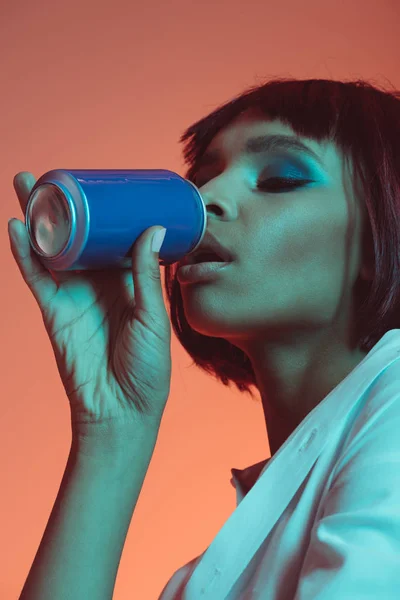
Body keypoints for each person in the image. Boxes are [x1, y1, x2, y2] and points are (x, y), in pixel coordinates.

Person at [11, 77, 400, 599]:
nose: (207, 198)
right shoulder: (201, 583)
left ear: (380, 242)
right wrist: (111, 430)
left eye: (280, 179)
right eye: (202, 178)